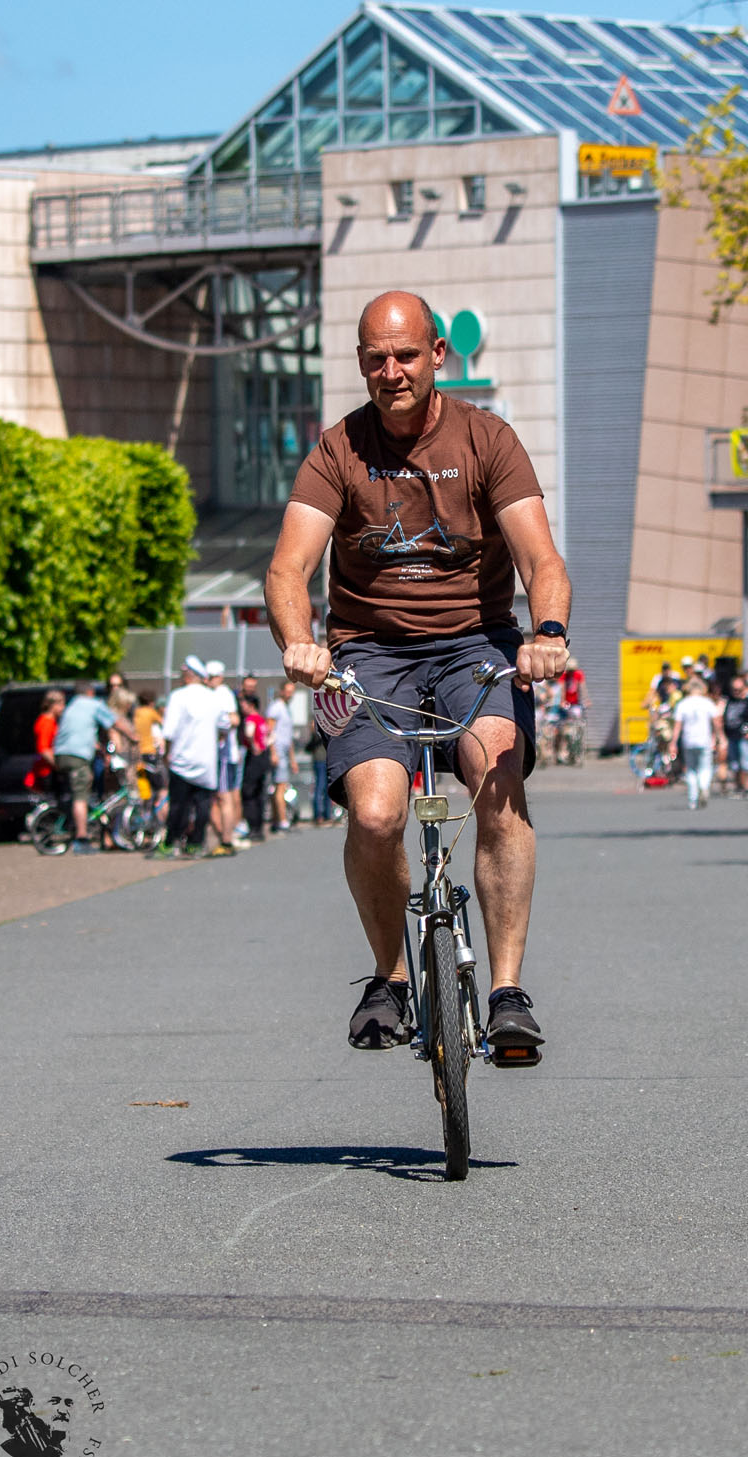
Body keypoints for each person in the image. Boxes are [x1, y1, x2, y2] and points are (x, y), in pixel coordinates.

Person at [264, 288, 571, 1054]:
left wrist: (549, 633)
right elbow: (286, 570)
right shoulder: (339, 449)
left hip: (477, 643)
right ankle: (390, 976)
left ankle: (505, 990)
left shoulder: (487, 438)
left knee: (498, 779)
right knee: (373, 813)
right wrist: (302, 643)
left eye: (406, 355)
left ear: (438, 354)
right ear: (361, 363)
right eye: (376, 358)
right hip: (369, 653)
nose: (392, 371)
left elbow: (541, 560)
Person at [149, 655, 229, 858]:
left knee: (178, 805)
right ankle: (196, 844)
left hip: (182, 761)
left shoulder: (178, 696)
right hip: (207, 761)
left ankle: (170, 844)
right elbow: (225, 725)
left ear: (188, 675)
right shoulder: (213, 697)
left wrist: (167, 754)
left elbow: (168, 732)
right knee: (203, 805)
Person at [52, 682, 135, 855]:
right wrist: (133, 737)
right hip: (77, 755)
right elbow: (115, 722)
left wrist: (99, 749)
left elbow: (81, 732)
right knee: (81, 795)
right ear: (90, 692)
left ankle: (75, 822)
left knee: (80, 791)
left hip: (61, 754)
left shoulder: (71, 706)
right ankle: (81, 839)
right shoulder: (93, 705)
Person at [205, 660, 242, 855]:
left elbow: (234, 719)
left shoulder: (223, 693)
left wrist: (220, 729)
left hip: (225, 755)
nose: (208, 681)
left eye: (211, 677)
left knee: (224, 796)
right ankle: (222, 836)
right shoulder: (209, 694)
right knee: (215, 797)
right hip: (213, 755)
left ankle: (227, 839)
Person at [670, 676, 722, 809]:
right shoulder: (707, 703)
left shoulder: (683, 704)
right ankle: (704, 786)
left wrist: (673, 742)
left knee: (691, 769)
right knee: (705, 766)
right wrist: (719, 736)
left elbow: (677, 725)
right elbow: (716, 721)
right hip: (704, 740)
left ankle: (692, 799)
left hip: (688, 740)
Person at [0, 1387, 73, 1457]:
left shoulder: (71, 1443)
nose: (63, 1411)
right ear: (32, 1404)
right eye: (54, 1402)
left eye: (68, 1404)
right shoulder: (11, 1450)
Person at [721, 671, 748, 796]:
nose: (736, 692)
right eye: (734, 689)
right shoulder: (730, 701)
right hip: (731, 736)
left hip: (744, 737)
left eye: (738, 689)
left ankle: (747, 787)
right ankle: (738, 787)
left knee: (746, 763)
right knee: (734, 764)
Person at [267, 680, 299, 832]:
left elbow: (289, 737)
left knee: (280, 786)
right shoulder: (276, 707)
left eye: (292, 691)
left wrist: (293, 759)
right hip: (278, 751)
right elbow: (270, 731)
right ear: (281, 691)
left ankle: (276, 819)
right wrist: (273, 752)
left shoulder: (287, 709)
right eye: (287, 691)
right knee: (280, 786)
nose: (289, 694)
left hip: (285, 752)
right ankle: (282, 820)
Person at [239, 691, 272, 841]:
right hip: (264, 757)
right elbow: (271, 736)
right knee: (259, 791)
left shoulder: (251, 719)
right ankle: (258, 827)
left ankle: (252, 826)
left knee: (249, 791)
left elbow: (249, 733)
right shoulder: (262, 720)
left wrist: (253, 746)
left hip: (254, 757)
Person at [29, 689, 65, 795]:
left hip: (48, 769)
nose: (63, 708)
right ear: (53, 705)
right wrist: (58, 766)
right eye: (61, 704)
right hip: (46, 771)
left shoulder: (51, 722)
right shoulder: (46, 723)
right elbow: (43, 748)